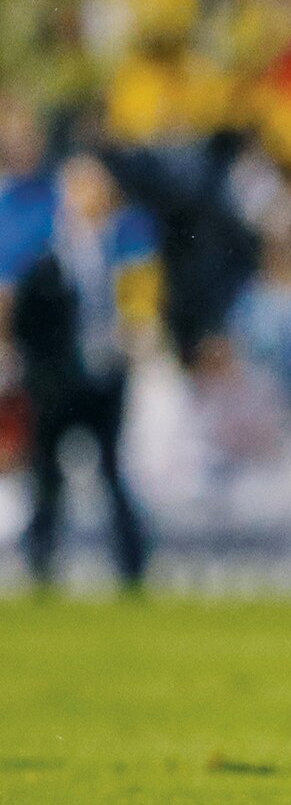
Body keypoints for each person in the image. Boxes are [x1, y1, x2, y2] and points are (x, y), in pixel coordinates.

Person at [4, 152, 157, 590]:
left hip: (106, 375)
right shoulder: (46, 247)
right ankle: (40, 565)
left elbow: (140, 301)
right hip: (54, 379)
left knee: (112, 471)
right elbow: (23, 312)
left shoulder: (126, 241)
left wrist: (132, 340)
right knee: (46, 475)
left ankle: (132, 567)